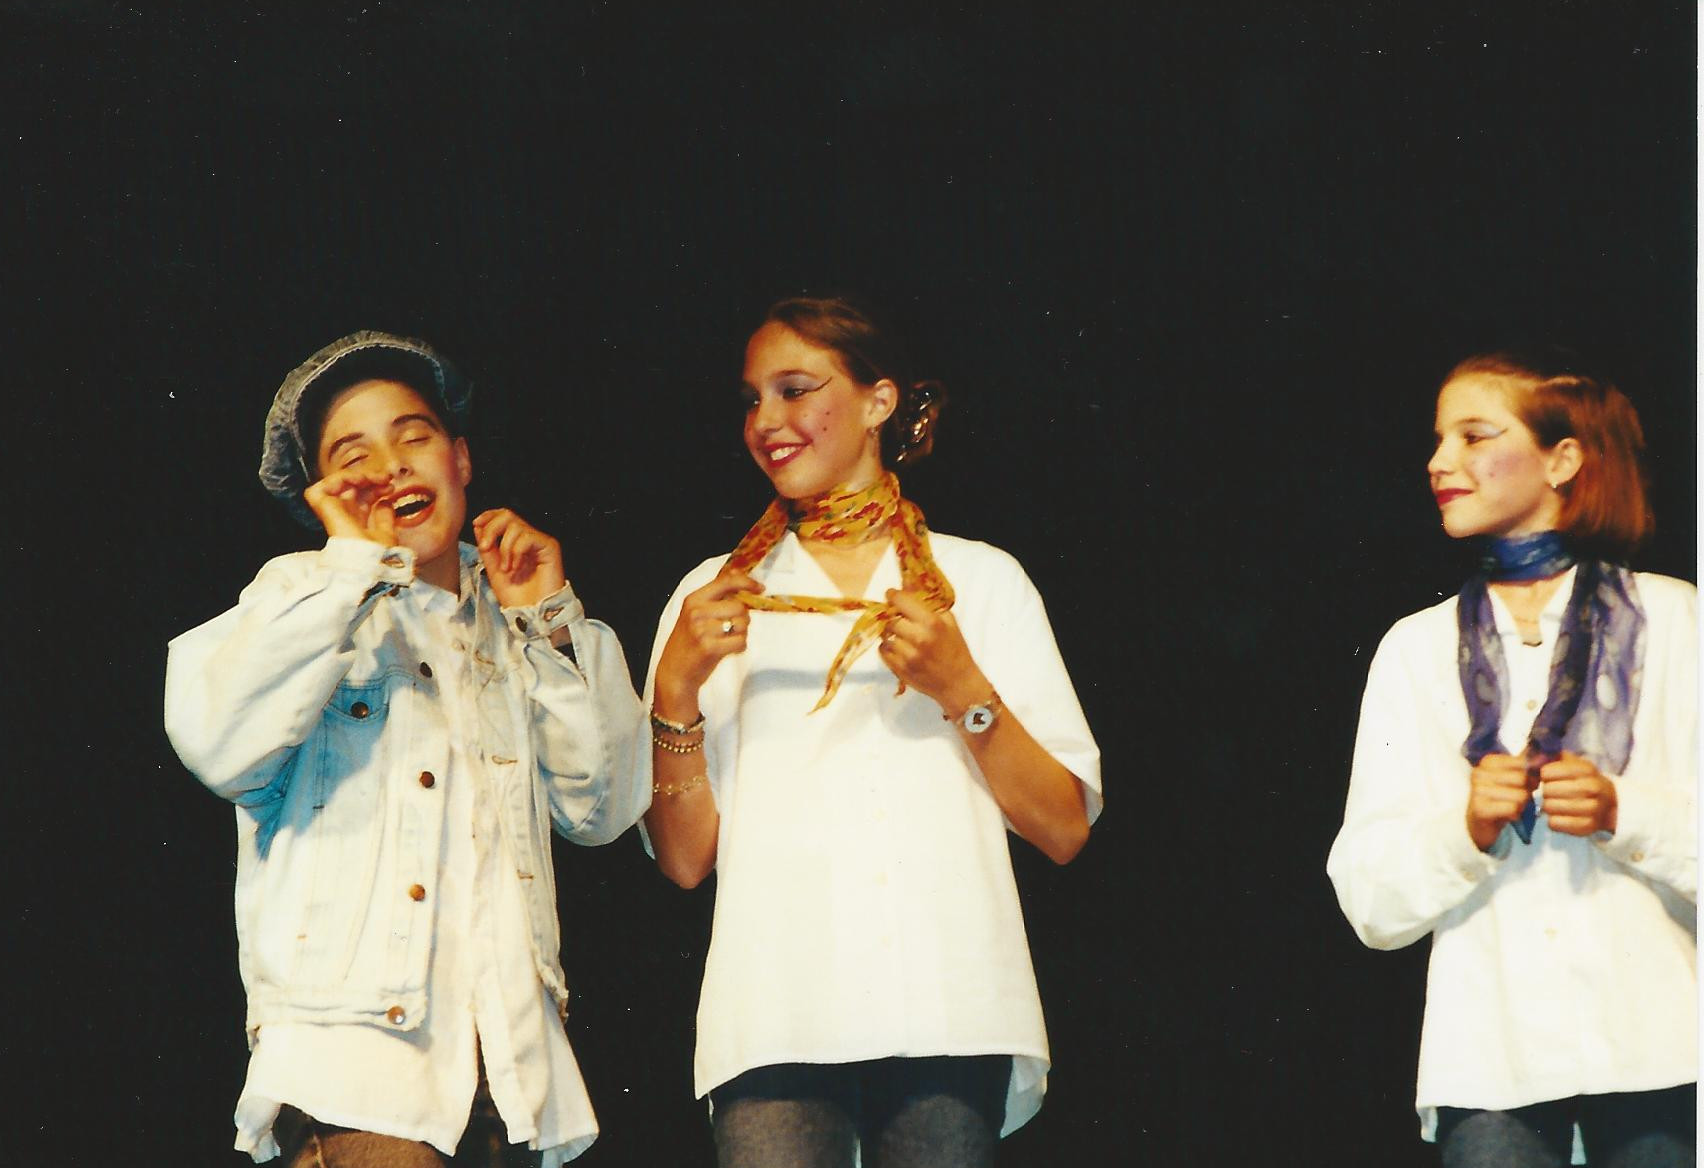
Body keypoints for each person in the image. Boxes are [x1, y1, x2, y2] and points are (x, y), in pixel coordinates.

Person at [163, 331, 649, 1166]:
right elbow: (218, 742)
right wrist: (352, 566)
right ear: (326, 496)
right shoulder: (299, 598)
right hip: (358, 1071)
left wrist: (550, 620)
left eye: (413, 436)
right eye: (354, 456)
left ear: (460, 458)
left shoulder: (520, 621)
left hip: (510, 1077)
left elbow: (603, 808)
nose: (391, 466)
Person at [640, 294, 1102, 1168]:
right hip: (775, 1010)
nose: (765, 421)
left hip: (949, 1003)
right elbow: (684, 858)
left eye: (794, 390)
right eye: (752, 399)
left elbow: (1064, 827)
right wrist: (675, 690)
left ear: (879, 401)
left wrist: (963, 689)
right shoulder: (714, 597)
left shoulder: (978, 582)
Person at [1326, 351, 1696, 1167]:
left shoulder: (1675, 621)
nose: (1439, 461)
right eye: (1437, 440)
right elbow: (1368, 898)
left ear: (1562, 460)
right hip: (1494, 1061)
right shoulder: (1416, 650)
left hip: (1663, 1050)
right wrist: (1466, 829)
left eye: (1473, 436)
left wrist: (1624, 813)